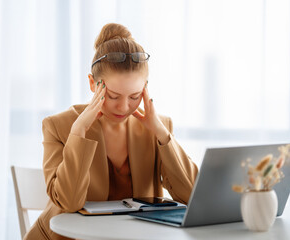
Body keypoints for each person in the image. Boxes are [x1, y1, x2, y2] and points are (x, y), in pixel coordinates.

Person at [24, 23, 198, 240]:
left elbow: (193, 197)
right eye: (113, 96)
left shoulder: (157, 128)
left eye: (134, 96)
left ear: (145, 89)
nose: (124, 107)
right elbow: (69, 202)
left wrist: (162, 135)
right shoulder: (58, 126)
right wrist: (78, 132)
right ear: (92, 84)